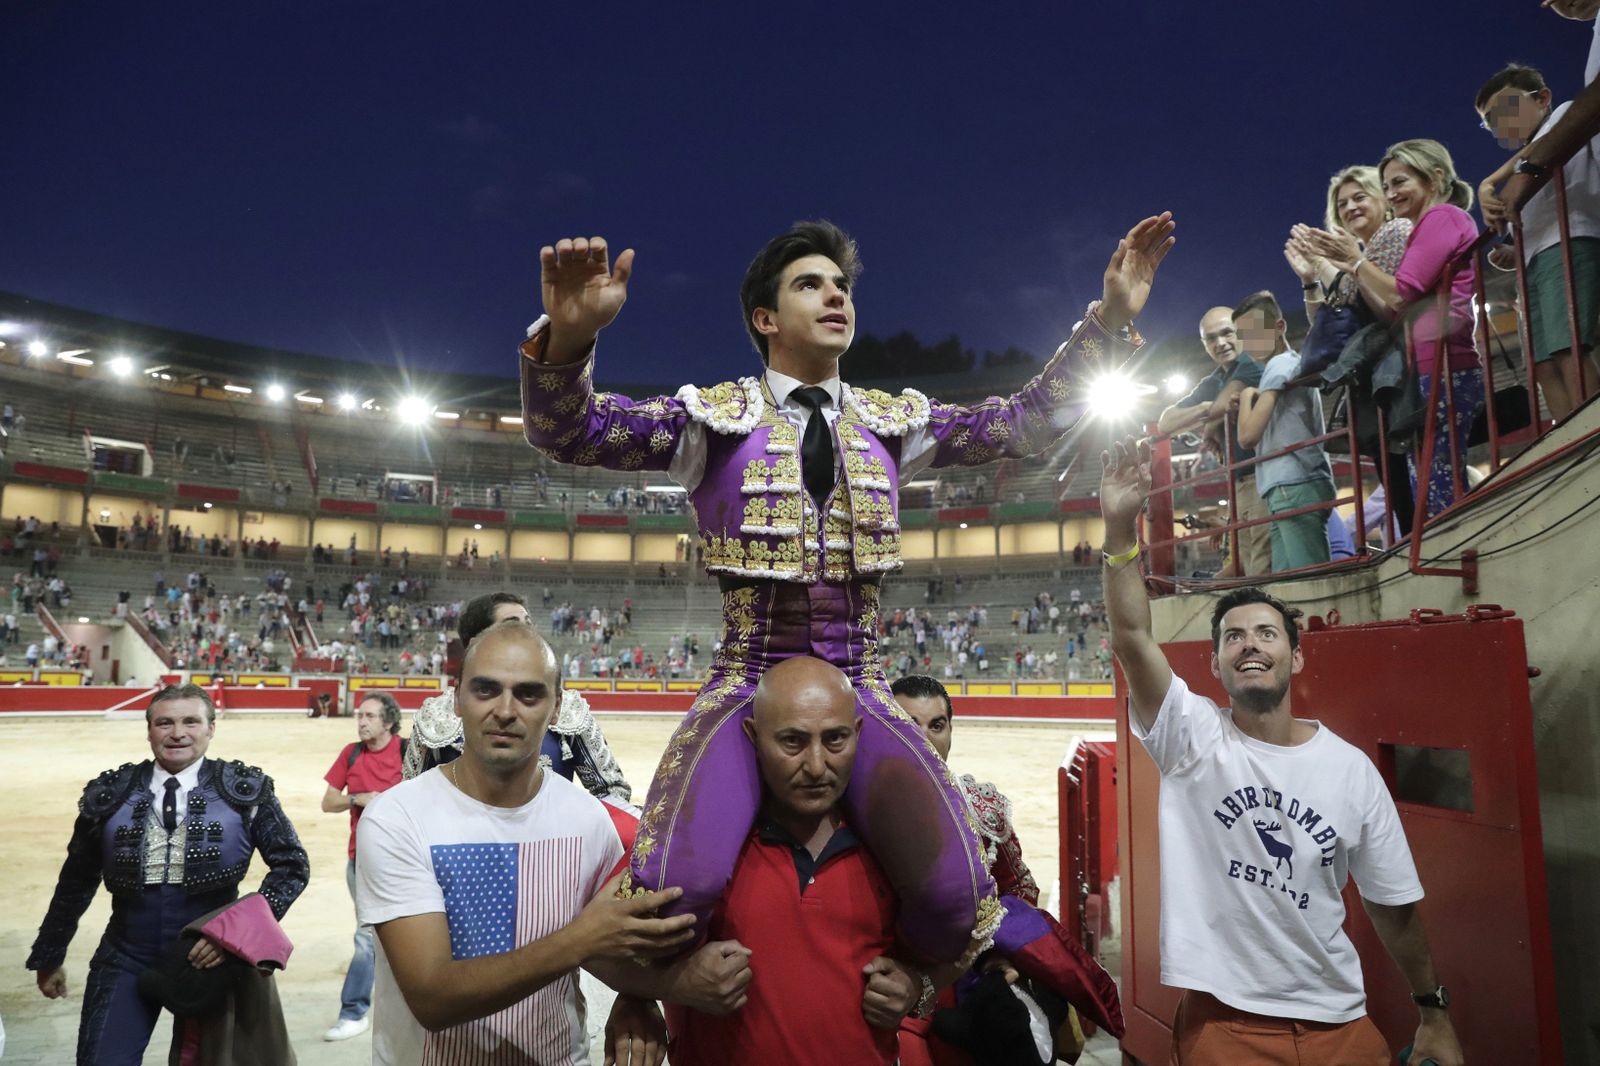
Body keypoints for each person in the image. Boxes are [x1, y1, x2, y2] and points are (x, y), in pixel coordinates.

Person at [520, 214, 1175, 965]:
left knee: (956, 894)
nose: (835, 296)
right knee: (679, 883)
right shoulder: (712, 420)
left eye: (841, 285)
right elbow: (573, 432)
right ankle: (659, 1010)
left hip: (858, 683)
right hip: (747, 687)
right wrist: (567, 343)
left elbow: (1024, 423)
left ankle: (905, 1007)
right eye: (810, 284)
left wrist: (1108, 320)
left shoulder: (893, 423)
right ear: (765, 318)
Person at [1098, 436, 1464, 1066]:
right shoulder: (1192, 738)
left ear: (1294, 656)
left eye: (1266, 633)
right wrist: (1117, 528)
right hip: (1226, 1027)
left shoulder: (1350, 770)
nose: (1249, 645)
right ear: (1214, 664)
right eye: (1233, 637)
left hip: (1341, 1023)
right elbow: (1132, 636)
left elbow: (1392, 903)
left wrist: (1433, 1011)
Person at [355, 618, 745, 1066]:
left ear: (557, 708)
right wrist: (583, 941)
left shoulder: (589, 820)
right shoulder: (397, 819)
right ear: (456, 698)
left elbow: (617, 948)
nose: (505, 710)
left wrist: (639, 996)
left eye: (528, 694)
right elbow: (433, 998)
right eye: (486, 690)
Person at [666, 656, 943, 1065]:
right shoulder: (704, 838)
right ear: (754, 736)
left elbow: (963, 946)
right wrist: (673, 984)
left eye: (835, 740)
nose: (816, 766)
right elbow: (601, 950)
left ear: (858, 733)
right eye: (792, 742)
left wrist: (919, 988)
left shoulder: (897, 840)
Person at [27, 684, 309, 1065]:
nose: (178, 733)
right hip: (125, 953)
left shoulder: (245, 790)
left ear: (211, 729)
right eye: (165, 723)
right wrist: (50, 953)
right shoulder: (110, 793)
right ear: (148, 730)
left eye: (191, 721)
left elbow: (292, 865)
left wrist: (234, 936)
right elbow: (76, 878)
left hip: (211, 958)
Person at [892, 674, 1124, 1066]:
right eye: (908, 725)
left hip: (967, 985)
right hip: (885, 989)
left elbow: (1019, 889)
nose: (925, 738)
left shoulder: (982, 806)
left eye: (937, 725)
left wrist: (1005, 958)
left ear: (951, 730)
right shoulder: (849, 811)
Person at [1299, 140, 1484, 519]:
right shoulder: (1421, 227)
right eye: (1387, 186)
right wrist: (1323, 273)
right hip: (1422, 368)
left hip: (1438, 363)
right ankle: (1439, 549)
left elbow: (1397, 298)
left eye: (1398, 183)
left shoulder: (1435, 220)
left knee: (1435, 484)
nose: (1392, 193)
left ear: (1433, 178)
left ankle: (1449, 550)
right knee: (1427, 482)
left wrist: (1350, 263)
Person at [403, 591, 632, 805]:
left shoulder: (568, 709)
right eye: (512, 624)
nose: (527, 633)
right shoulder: (435, 717)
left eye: (529, 623)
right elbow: (412, 798)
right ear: (475, 643)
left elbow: (612, 792)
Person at [1287, 164, 1417, 533]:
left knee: (1409, 481)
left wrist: (1342, 266)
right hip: (1373, 387)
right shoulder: (1361, 254)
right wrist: (1312, 279)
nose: (1351, 207)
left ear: (1384, 199)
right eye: (1342, 203)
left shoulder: (1396, 232)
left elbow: (1388, 310)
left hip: (1400, 378)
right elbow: (1330, 327)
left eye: (1360, 197)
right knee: (1396, 487)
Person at [1476, 62, 1600, 420]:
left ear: (1542, 98)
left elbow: (1557, 137)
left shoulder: (1564, 118)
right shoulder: (1524, 165)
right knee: (1542, 364)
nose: (1499, 123)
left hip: (1570, 241)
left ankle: (1589, 434)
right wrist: (1514, 252)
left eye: (1504, 109)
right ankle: (1569, 434)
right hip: (1535, 262)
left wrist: (1490, 181)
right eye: (1489, 120)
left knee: (1569, 348)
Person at [320, 691, 408, 1041]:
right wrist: (358, 798)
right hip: (362, 860)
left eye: (370, 716)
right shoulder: (351, 752)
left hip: (405, 860)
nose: (362, 722)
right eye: (360, 716)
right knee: (367, 936)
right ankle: (354, 1012)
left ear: (388, 722)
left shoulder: (408, 751)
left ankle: (363, 1010)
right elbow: (328, 802)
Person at [1156, 307, 1271, 575]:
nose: (1220, 343)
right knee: (1250, 565)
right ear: (1204, 344)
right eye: (1211, 338)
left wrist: (1208, 426)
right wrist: (1207, 409)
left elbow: (1222, 404)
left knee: (1262, 568)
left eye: (1227, 333)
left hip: (1263, 476)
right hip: (1242, 482)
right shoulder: (1216, 379)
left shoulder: (1252, 362)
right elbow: (1166, 423)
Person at [1234, 291, 1336, 571]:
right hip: (1289, 485)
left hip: (1294, 483)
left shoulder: (1280, 366)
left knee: (1310, 581)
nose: (1249, 342)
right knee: (1288, 585)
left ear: (1279, 328)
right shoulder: (1282, 365)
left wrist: (1245, 399)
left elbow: (1247, 436)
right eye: (1243, 335)